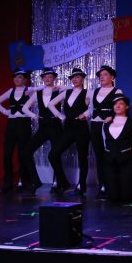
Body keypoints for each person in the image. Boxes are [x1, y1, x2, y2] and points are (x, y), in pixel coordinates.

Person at [47, 67, 91, 196]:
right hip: (68, 128)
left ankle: (81, 186)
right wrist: (61, 117)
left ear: (82, 79)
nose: (75, 79)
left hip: (81, 128)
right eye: (73, 77)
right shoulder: (66, 93)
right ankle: (64, 183)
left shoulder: (88, 92)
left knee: (82, 158)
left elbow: (94, 106)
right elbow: (50, 104)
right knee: (53, 154)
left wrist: (85, 114)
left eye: (78, 77)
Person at [20, 67, 64, 194]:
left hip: (55, 126)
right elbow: (24, 108)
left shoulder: (59, 91)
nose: (47, 78)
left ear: (54, 78)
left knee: (55, 155)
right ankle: (36, 181)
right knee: (26, 152)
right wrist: (34, 116)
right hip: (43, 127)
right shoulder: (38, 93)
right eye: (45, 77)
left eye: (50, 76)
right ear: (42, 79)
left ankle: (58, 184)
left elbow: (72, 89)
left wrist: (59, 87)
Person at [0, 68, 35, 193]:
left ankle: (26, 181)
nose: (17, 79)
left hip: (24, 123)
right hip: (11, 123)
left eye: (20, 77)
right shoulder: (10, 91)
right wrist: (5, 112)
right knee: (7, 153)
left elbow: (42, 91)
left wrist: (32, 91)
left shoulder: (29, 91)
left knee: (23, 153)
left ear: (25, 80)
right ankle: (8, 182)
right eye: (15, 77)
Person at [87, 65, 123, 196]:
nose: (102, 77)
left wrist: (112, 117)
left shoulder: (117, 91)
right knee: (99, 155)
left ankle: (112, 183)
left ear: (112, 77)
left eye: (105, 74)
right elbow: (91, 109)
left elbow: (120, 108)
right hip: (95, 125)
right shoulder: (94, 91)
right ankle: (102, 184)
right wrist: (84, 115)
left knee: (109, 154)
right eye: (100, 75)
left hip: (109, 125)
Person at [102, 95, 132, 203]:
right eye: (115, 104)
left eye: (121, 103)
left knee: (126, 198)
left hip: (126, 162)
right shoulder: (106, 123)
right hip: (110, 161)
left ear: (127, 107)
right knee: (113, 198)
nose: (118, 106)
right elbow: (105, 142)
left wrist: (131, 158)